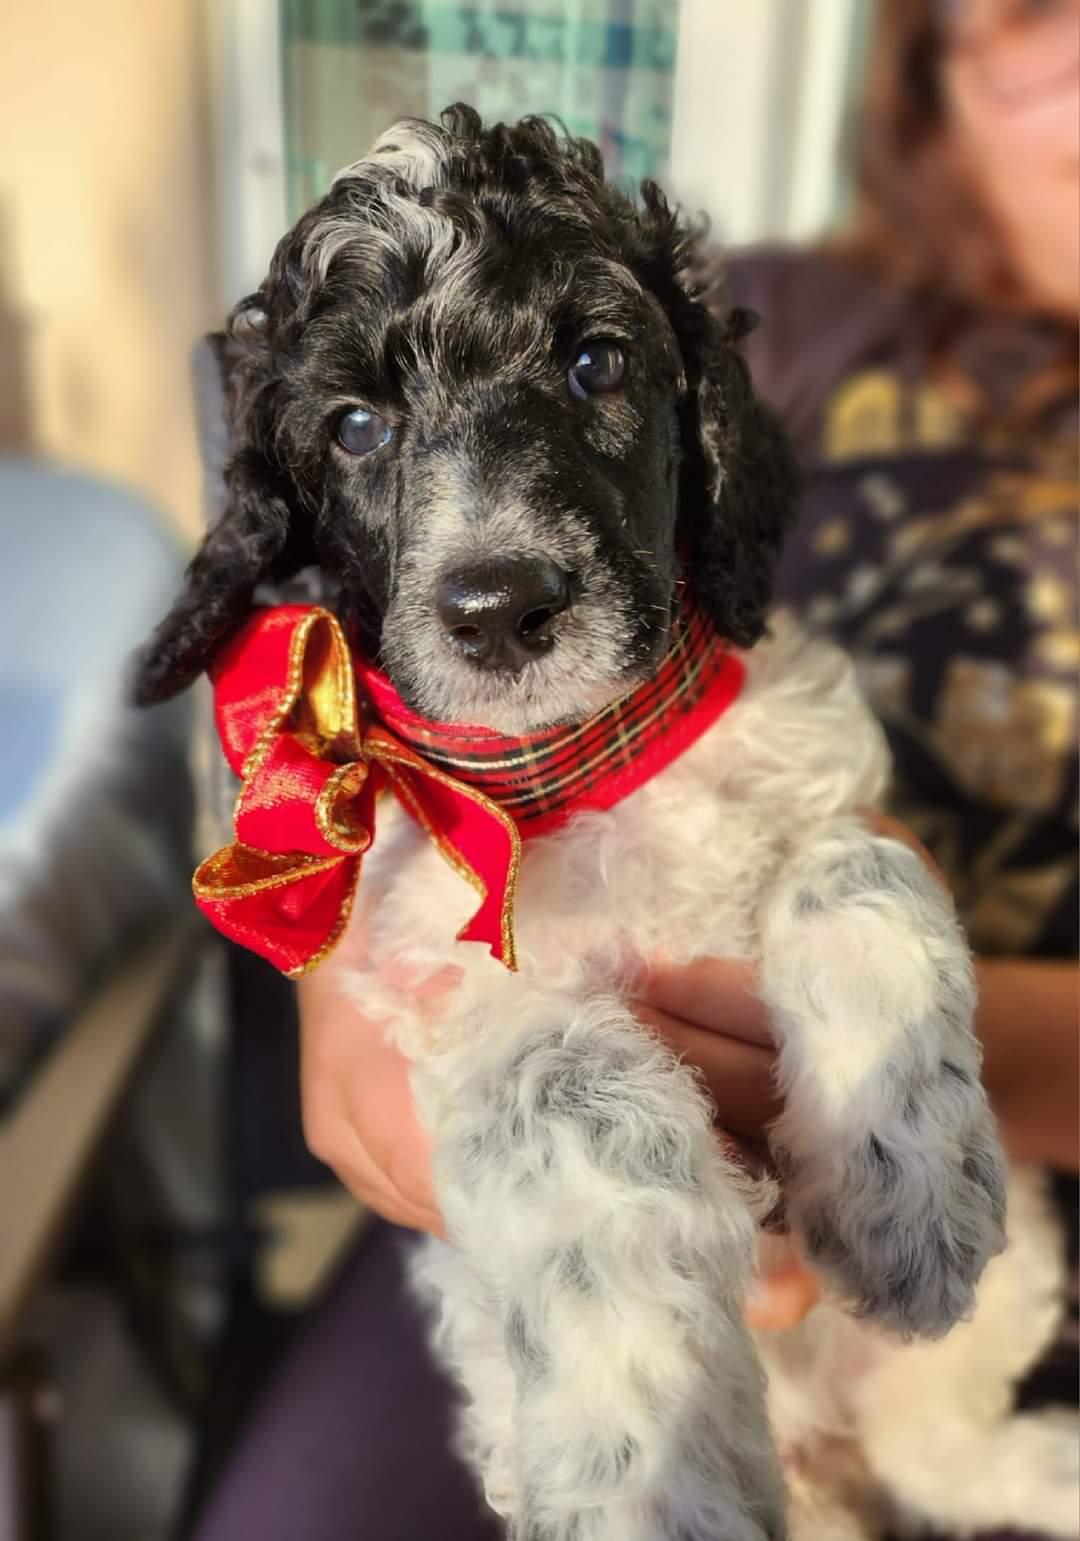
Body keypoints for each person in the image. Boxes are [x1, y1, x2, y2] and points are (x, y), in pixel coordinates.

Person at [190, 1, 1078, 1536]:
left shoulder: (730, 529)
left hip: (990, 1217)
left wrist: (899, 1039)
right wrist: (348, 979)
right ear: (929, 72)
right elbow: (328, 795)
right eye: (1028, 10)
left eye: (593, 364)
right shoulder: (795, 304)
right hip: (534, 1223)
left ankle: (910, 1449)